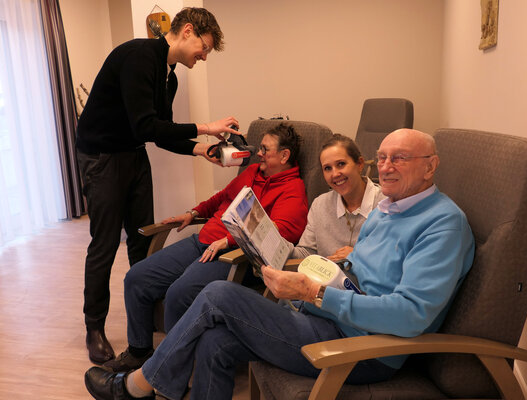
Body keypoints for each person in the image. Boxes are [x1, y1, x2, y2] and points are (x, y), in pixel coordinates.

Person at [84, 128, 475, 400]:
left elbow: (411, 315)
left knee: (218, 294)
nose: (387, 167)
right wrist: (307, 281)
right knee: (215, 342)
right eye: (384, 157)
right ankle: (148, 384)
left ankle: (138, 386)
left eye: (400, 159)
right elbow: (358, 268)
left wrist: (316, 294)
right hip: (330, 318)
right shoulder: (390, 207)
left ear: (430, 166)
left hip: (365, 347)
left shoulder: (442, 224)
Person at [76, 7, 241, 364]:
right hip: (102, 156)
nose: (204, 56)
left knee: (141, 237)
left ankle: (144, 313)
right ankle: (94, 327)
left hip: (133, 154)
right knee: (105, 244)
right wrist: (205, 127)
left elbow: (159, 134)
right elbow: (145, 126)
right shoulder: (138, 57)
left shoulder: (171, 77)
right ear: (187, 31)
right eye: (204, 47)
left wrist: (202, 149)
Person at [101, 123, 308, 374]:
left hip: (232, 256)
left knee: (180, 294)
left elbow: (278, 236)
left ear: (284, 156)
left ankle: (171, 373)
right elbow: (223, 197)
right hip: (203, 240)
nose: (259, 153)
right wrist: (194, 212)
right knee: (137, 278)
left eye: (265, 149)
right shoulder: (253, 170)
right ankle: (139, 351)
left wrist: (229, 241)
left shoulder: (293, 191)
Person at [289, 133, 385, 261]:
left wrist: (358, 255)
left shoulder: (388, 204)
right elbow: (307, 254)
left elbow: (393, 260)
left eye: (341, 164)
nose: (334, 174)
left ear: (360, 164)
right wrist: (275, 244)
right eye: (327, 168)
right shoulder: (320, 205)